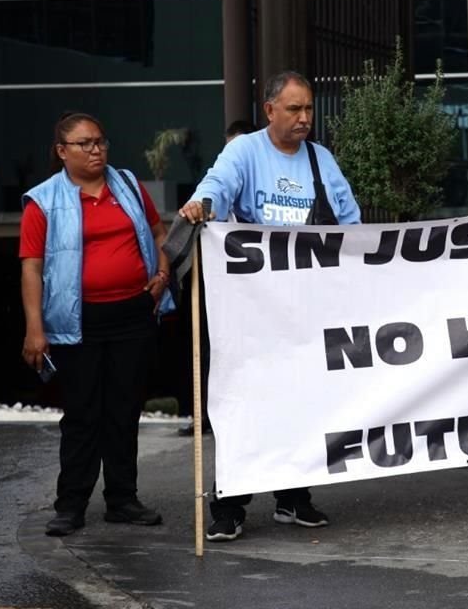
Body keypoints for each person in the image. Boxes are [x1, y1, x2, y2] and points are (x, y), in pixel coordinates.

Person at [179, 71, 361, 542]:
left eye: (308, 110)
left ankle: (293, 497)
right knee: (247, 405)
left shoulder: (321, 160)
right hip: (252, 312)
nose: (304, 119)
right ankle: (231, 504)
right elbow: (217, 186)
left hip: (306, 312)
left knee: (302, 403)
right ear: (269, 110)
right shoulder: (245, 151)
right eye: (294, 109)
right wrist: (203, 205)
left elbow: (350, 224)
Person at [20, 112, 169, 537]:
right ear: (62, 152)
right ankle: (70, 505)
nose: (96, 149)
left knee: (124, 409)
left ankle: (122, 499)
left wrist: (161, 276)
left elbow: (160, 235)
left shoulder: (128, 186)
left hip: (133, 313)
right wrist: (35, 328)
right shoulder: (43, 200)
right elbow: (31, 268)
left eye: (100, 141)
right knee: (84, 413)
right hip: (76, 320)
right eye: (84, 143)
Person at [176, 119, 258, 438]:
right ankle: (204, 413)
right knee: (211, 351)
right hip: (222, 292)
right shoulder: (215, 194)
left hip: (263, 298)